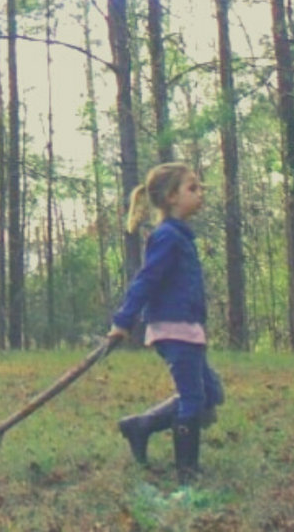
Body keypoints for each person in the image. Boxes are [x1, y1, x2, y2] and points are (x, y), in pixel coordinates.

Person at [106, 162, 224, 484]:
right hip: (174, 329)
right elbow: (146, 280)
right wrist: (123, 321)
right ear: (172, 197)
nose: (200, 193)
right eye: (192, 188)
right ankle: (187, 472)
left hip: (188, 327)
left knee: (211, 393)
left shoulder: (181, 236)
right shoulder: (167, 237)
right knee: (193, 399)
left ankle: (140, 426)